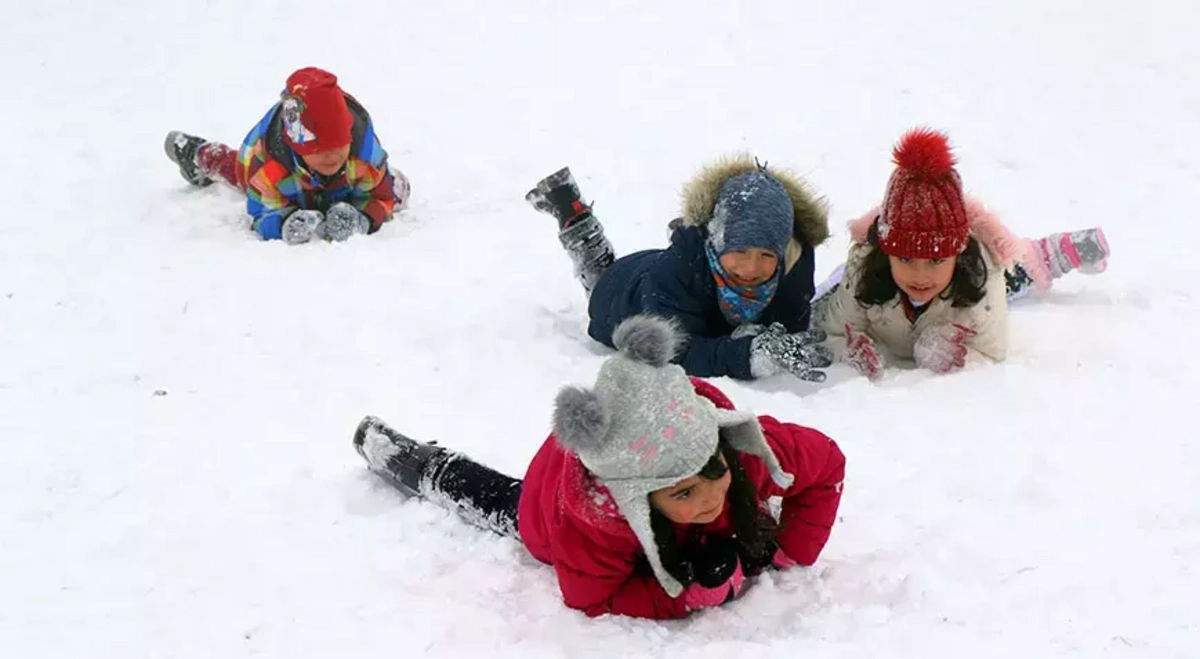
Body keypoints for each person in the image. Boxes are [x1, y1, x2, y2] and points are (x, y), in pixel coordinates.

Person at [354, 315, 846, 619]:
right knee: (504, 502)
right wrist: (683, 597)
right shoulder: (596, 523)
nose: (709, 497)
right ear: (638, 500)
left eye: (711, 473)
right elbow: (592, 598)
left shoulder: (737, 449)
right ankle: (414, 462)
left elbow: (827, 465)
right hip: (552, 504)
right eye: (681, 493)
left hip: (634, 440)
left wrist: (787, 551)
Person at [813, 127, 1110, 378]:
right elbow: (829, 333)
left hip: (967, 283)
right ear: (886, 251)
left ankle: (1046, 255)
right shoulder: (863, 271)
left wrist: (958, 355)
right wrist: (851, 353)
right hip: (880, 280)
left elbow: (994, 351)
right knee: (833, 289)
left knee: (1013, 273)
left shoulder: (981, 276)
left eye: (936, 260)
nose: (920, 275)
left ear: (957, 252)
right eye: (905, 258)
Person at [525, 157, 834, 382]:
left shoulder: (794, 262)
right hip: (623, 294)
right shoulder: (676, 273)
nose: (752, 268)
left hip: (673, 277)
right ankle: (574, 216)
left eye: (767, 254)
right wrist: (745, 355)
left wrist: (767, 338)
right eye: (738, 251)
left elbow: (791, 322)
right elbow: (672, 352)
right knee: (599, 273)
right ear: (716, 242)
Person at [163, 67, 410, 244]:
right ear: (298, 147)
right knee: (238, 172)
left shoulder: (364, 157)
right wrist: (284, 223)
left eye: (339, 144)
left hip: (345, 184)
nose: (332, 155)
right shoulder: (270, 168)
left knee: (396, 189)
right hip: (280, 179)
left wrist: (363, 219)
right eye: (319, 150)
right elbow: (260, 214)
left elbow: (381, 197)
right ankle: (199, 155)